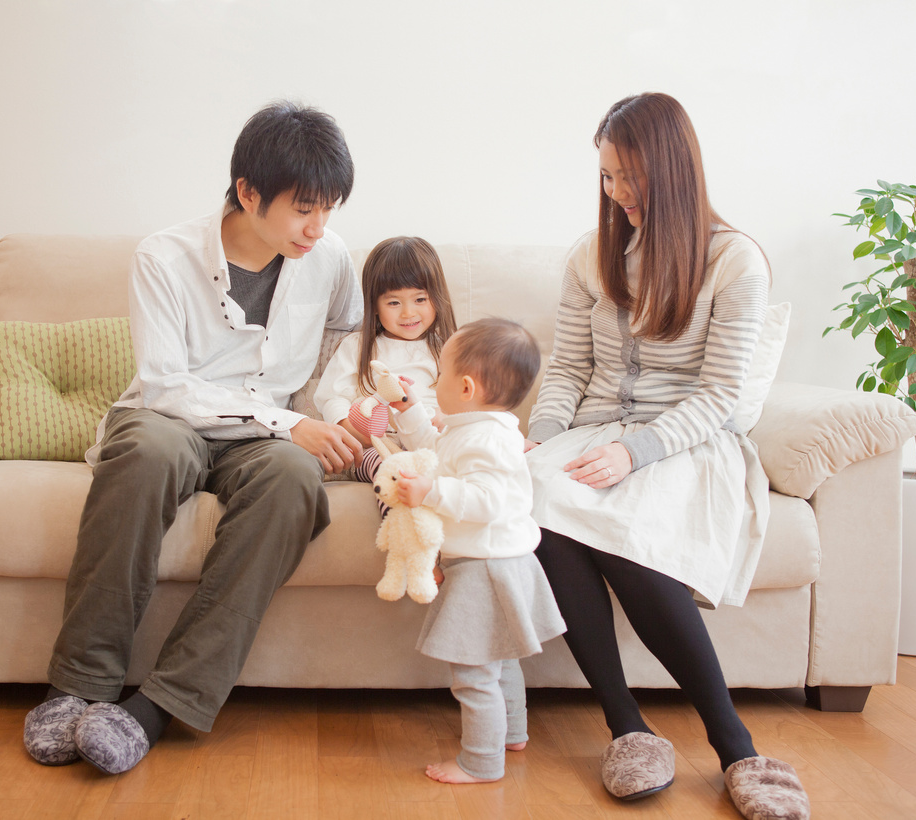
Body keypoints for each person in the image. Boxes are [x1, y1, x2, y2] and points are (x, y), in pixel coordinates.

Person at [22, 100, 364, 775]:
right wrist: (291, 422)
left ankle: (156, 706)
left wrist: (333, 413)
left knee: (295, 480)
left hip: (261, 435)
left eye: (328, 208)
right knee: (147, 455)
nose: (317, 227)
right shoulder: (164, 256)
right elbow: (165, 387)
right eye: (303, 208)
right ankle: (78, 686)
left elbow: (349, 337)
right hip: (169, 419)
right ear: (247, 192)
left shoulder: (330, 258)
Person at [524, 93, 810, 819]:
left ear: (672, 170)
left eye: (629, 177)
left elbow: (719, 394)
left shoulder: (733, 260)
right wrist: (543, 433)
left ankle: (734, 744)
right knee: (538, 509)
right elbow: (566, 367)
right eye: (606, 177)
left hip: (685, 440)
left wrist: (634, 451)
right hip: (590, 433)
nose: (615, 194)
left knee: (625, 538)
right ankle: (626, 726)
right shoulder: (590, 255)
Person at [389, 318, 566, 784]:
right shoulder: (474, 428)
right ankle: (513, 733)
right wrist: (407, 408)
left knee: (473, 672)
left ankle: (481, 761)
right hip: (495, 564)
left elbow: (490, 501)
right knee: (500, 656)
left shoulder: (487, 441)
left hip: (485, 570)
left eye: (439, 375)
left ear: (465, 387)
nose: (434, 383)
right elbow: (433, 448)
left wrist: (429, 493)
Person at [313, 236, 457, 503]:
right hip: (376, 446)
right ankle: (400, 526)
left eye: (420, 299)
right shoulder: (357, 346)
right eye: (394, 303)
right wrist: (347, 426)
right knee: (391, 472)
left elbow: (468, 399)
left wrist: (446, 416)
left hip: (430, 442)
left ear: (437, 298)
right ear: (375, 306)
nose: (408, 313)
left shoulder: (448, 349)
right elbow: (332, 396)